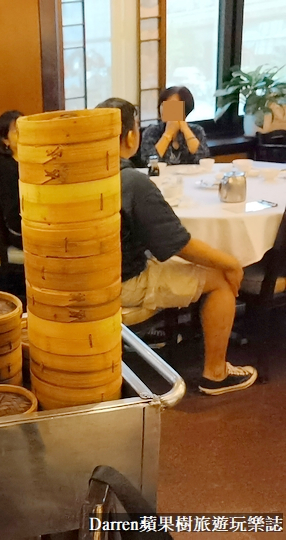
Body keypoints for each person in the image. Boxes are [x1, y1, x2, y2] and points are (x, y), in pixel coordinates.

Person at [96, 97, 257, 395]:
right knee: (220, 278)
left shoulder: (84, 173)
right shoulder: (132, 182)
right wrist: (230, 263)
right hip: (122, 284)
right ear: (132, 135)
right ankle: (216, 374)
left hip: (86, 278)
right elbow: (176, 244)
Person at [139, 86, 210, 165]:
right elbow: (149, 161)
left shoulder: (197, 131)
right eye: (162, 104)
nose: (163, 109)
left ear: (185, 109)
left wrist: (185, 129)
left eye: (171, 105)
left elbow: (203, 159)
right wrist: (168, 133)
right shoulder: (152, 131)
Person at [0, 110, 23, 249]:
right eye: (16, 131)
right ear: (5, 140)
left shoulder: (34, 160)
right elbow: (12, 214)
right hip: (21, 232)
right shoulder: (4, 167)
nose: (22, 134)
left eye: (24, 129)